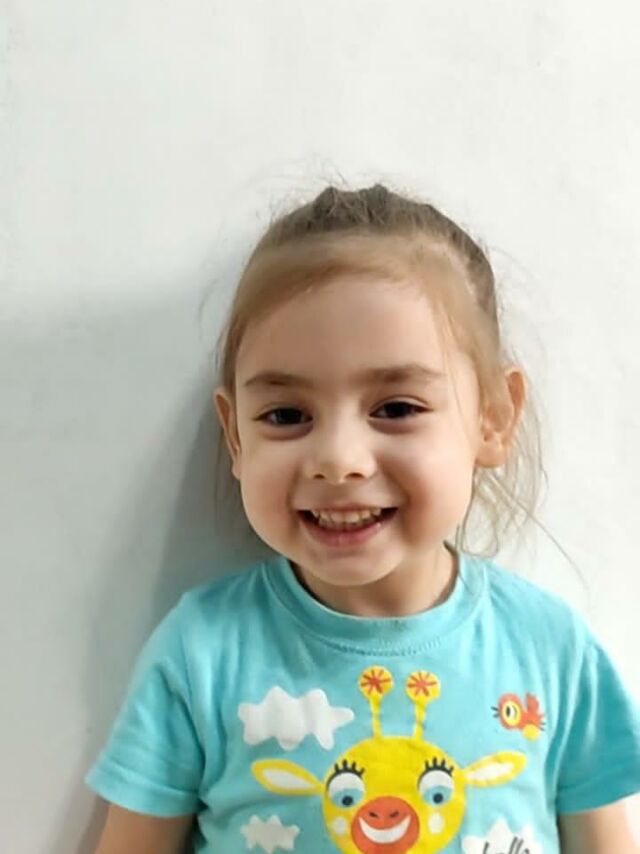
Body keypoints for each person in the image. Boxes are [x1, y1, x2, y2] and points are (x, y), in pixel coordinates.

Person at [86, 184, 640, 853]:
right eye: (286, 415)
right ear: (236, 436)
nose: (339, 460)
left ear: (494, 417)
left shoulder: (551, 650)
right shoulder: (202, 653)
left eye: (397, 408)